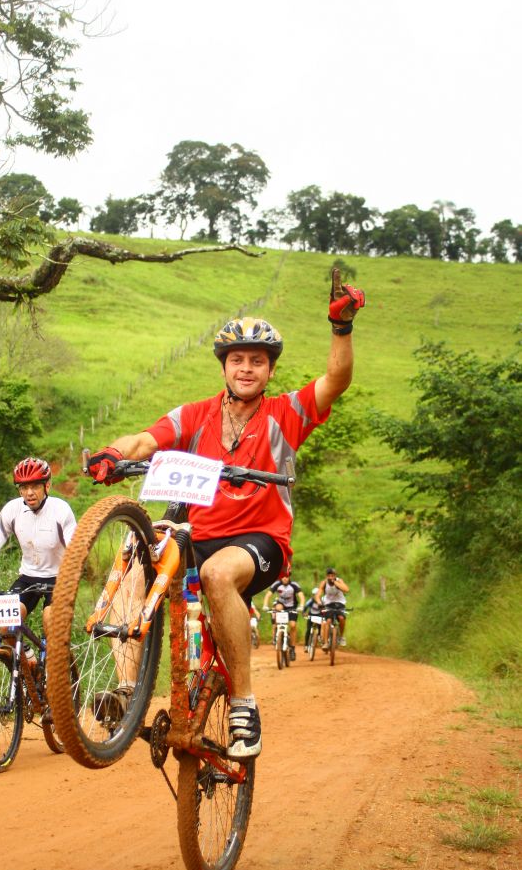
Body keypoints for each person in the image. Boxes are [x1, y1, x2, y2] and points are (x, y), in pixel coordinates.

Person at [84, 269, 364, 759]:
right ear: (224, 367)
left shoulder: (286, 414)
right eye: (238, 360)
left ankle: (244, 704)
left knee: (217, 574)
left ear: (270, 370)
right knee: (132, 560)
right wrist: (111, 452)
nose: (247, 368)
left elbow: (335, 381)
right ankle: (129, 691)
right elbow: (146, 441)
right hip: (197, 536)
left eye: (258, 361)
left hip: (260, 543)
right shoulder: (195, 416)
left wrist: (341, 328)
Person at [0, 458, 77, 643]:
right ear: (19, 490)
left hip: (59, 578)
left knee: (50, 620)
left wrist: (71, 577)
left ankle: (55, 666)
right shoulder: (12, 510)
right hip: (28, 577)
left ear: (47, 486)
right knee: (5, 625)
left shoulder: (61, 510)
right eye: (23, 487)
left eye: (35, 486)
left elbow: (75, 550)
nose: (29, 493)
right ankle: (27, 663)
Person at [262, 573, 305, 660]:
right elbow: (268, 594)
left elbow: (301, 596)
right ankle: (278, 635)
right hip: (281, 605)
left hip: (292, 607)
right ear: (281, 578)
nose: (285, 579)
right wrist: (265, 605)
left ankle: (292, 649)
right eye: (283, 577)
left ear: (289, 577)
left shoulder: (294, 585)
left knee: (293, 625)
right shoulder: (277, 584)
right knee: (277, 608)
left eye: (287, 577)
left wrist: (301, 605)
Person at [316, 567, 350, 648]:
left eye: (333, 575)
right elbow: (318, 595)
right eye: (329, 576)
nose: (331, 577)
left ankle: (341, 637)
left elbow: (346, 589)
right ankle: (326, 642)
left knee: (341, 618)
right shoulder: (324, 583)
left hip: (340, 603)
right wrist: (319, 602)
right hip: (329, 604)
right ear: (327, 576)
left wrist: (336, 583)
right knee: (328, 620)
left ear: (335, 576)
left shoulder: (339, 581)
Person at [303, 586, 323, 652]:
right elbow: (305, 607)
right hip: (311, 615)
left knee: (320, 626)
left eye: (317, 594)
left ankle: (319, 636)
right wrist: (304, 613)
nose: (315, 596)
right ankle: (306, 645)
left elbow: (325, 608)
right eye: (314, 595)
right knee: (308, 630)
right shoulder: (310, 601)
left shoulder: (322, 601)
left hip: (319, 615)